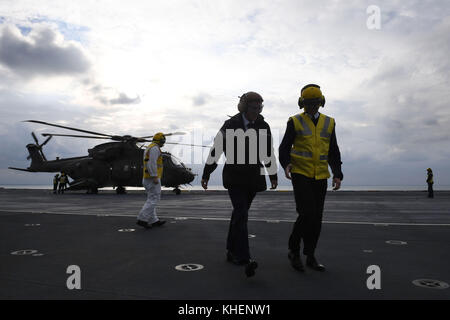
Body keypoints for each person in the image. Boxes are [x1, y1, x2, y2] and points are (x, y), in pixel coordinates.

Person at [201, 91, 278, 277]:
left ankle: (230, 250)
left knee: (239, 215)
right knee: (242, 213)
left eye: (260, 107)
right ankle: (244, 257)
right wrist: (206, 174)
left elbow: (268, 152)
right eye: (253, 107)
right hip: (235, 178)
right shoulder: (230, 125)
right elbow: (216, 150)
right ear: (244, 107)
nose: (257, 111)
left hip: (253, 178)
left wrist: (273, 175)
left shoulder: (263, 126)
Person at [279, 84, 343, 272]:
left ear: (321, 102)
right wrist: (286, 164)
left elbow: (333, 150)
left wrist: (337, 173)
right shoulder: (295, 121)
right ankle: (293, 250)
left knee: (316, 218)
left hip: (321, 175)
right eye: (308, 103)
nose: (312, 106)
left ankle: (310, 255)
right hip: (300, 173)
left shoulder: (329, 122)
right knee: (307, 213)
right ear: (302, 104)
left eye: (315, 103)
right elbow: (284, 148)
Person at [137, 133, 167, 229]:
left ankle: (154, 220)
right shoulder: (155, 148)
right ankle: (142, 218)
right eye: (163, 142)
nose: (163, 143)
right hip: (152, 178)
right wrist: (154, 176)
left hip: (147, 177)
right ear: (160, 141)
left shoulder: (150, 147)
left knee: (151, 199)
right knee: (154, 199)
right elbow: (152, 163)